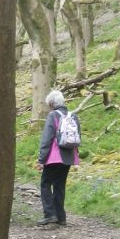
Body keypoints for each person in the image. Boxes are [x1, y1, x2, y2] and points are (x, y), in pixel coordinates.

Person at [36, 89, 80, 226]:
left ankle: (50, 214)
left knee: (45, 183)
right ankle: (61, 217)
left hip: (54, 157)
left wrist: (41, 159)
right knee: (60, 185)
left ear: (51, 104)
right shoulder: (73, 116)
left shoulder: (53, 116)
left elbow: (47, 139)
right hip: (69, 156)